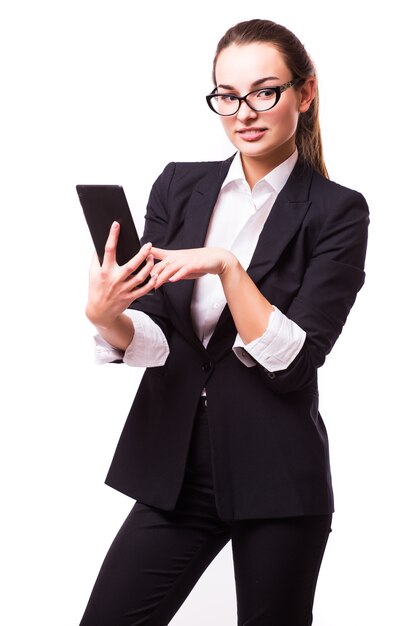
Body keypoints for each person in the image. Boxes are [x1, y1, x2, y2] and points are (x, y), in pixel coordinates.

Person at [79, 18, 369, 626]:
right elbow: (159, 339)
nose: (245, 112)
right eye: (228, 96)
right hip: (175, 468)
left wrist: (229, 267)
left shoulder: (338, 211)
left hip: (278, 476)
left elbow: (292, 361)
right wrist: (109, 318)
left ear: (305, 93)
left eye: (265, 91)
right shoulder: (180, 185)